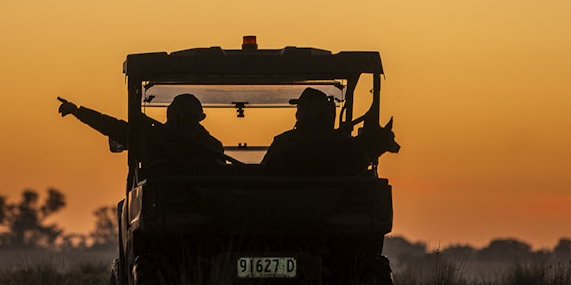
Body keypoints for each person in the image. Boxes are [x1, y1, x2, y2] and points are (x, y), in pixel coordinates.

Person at [58, 93, 225, 165]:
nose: (186, 123)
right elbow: (114, 127)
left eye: (190, 118)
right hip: (161, 219)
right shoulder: (153, 139)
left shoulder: (212, 147)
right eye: (183, 117)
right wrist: (78, 112)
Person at [261, 87, 370, 176]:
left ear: (314, 111)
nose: (297, 114)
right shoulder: (346, 144)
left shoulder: (284, 142)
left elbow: (263, 173)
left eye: (301, 108)